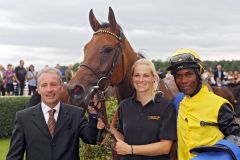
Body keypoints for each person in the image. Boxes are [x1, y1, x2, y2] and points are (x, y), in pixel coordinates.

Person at [7, 67, 100, 160]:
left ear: (61, 87)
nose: (49, 89)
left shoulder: (76, 114)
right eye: (44, 85)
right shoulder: (23, 118)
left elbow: (92, 138)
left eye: (53, 84)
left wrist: (94, 114)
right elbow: (14, 156)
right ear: (38, 89)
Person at [166, 48, 240, 160]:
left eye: (188, 74)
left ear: (198, 74)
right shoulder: (178, 102)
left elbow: (236, 138)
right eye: (178, 76)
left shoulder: (219, 104)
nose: (183, 80)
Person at [110, 59, 177, 160]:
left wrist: (131, 149)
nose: (140, 80)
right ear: (132, 78)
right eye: (137, 75)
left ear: (154, 78)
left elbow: (165, 147)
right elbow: (124, 138)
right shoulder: (124, 106)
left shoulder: (166, 107)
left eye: (146, 75)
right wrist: (110, 129)